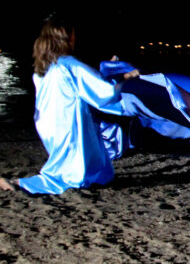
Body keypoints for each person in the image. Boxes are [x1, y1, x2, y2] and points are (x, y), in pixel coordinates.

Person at [1, 17, 138, 195]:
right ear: (64, 39)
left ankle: (92, 178)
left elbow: (83, 85)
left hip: (47, 122)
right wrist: (124, 77)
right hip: (67, 122)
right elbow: (104, 92)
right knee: (66, 175)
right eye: (72, 36)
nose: (74, 40)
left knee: (68, 162)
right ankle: (18, 183)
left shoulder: (45, 66)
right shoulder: (69, 64)